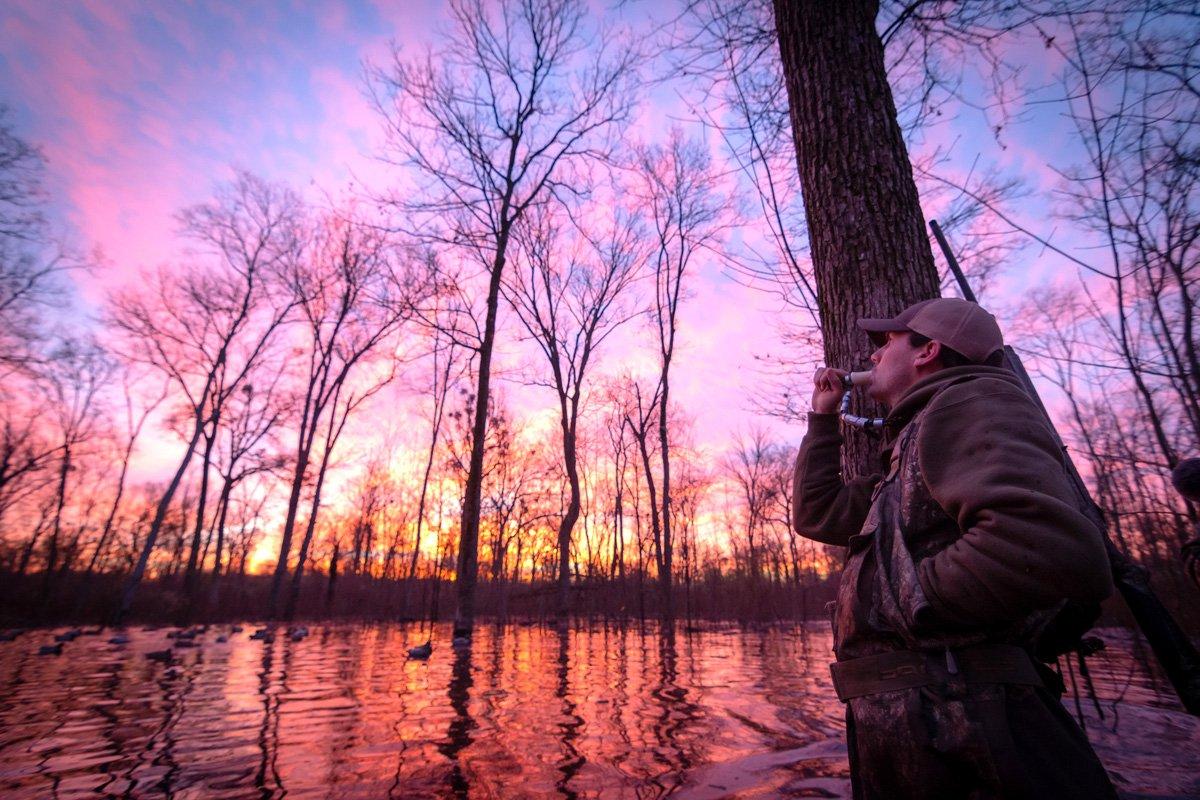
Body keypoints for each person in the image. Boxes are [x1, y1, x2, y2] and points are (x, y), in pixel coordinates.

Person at [793, 297, 1118, 799]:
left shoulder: (971, 402)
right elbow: (819, 513)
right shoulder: (917, 438)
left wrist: (902, 602)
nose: (875, 357)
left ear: (927, 352)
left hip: (974, 731)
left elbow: (1053, 549)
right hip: (931, 727)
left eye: (888, 342)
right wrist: (822, 419)